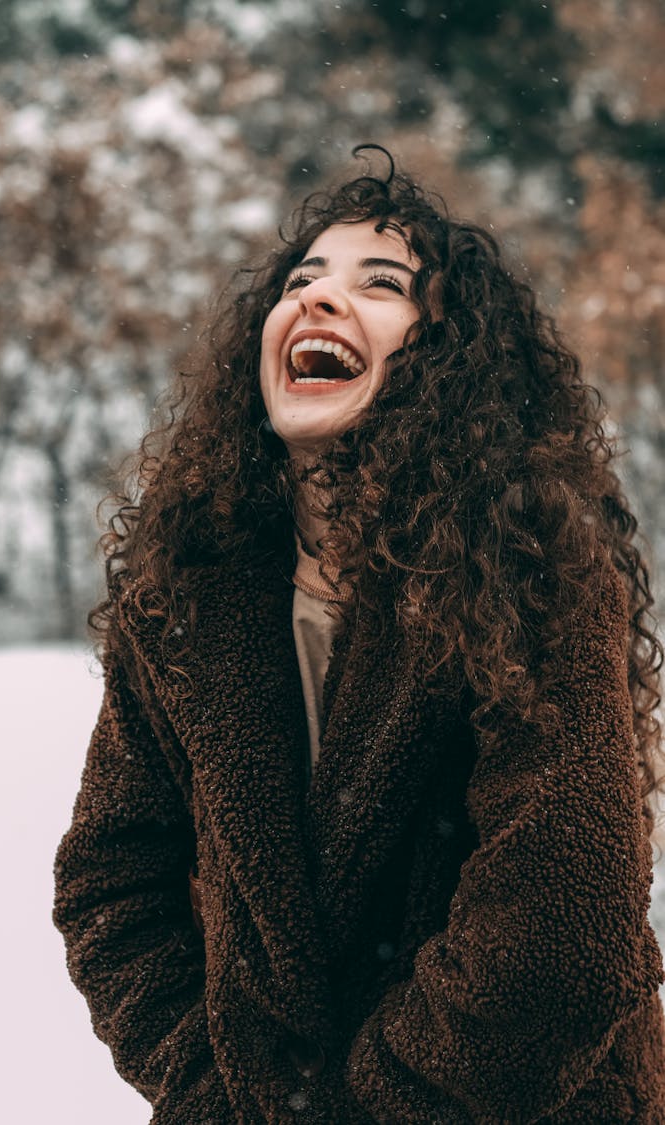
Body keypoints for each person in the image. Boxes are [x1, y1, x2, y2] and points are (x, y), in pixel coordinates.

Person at [53, 146, 665, 1123]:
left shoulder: (525, 548)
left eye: (380, 285)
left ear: (451, 353)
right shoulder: (185, 593)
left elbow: (562, 907)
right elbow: (111, 880)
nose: (320, 301)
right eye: (301, 283)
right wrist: (213, 1095)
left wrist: (374, 1105)